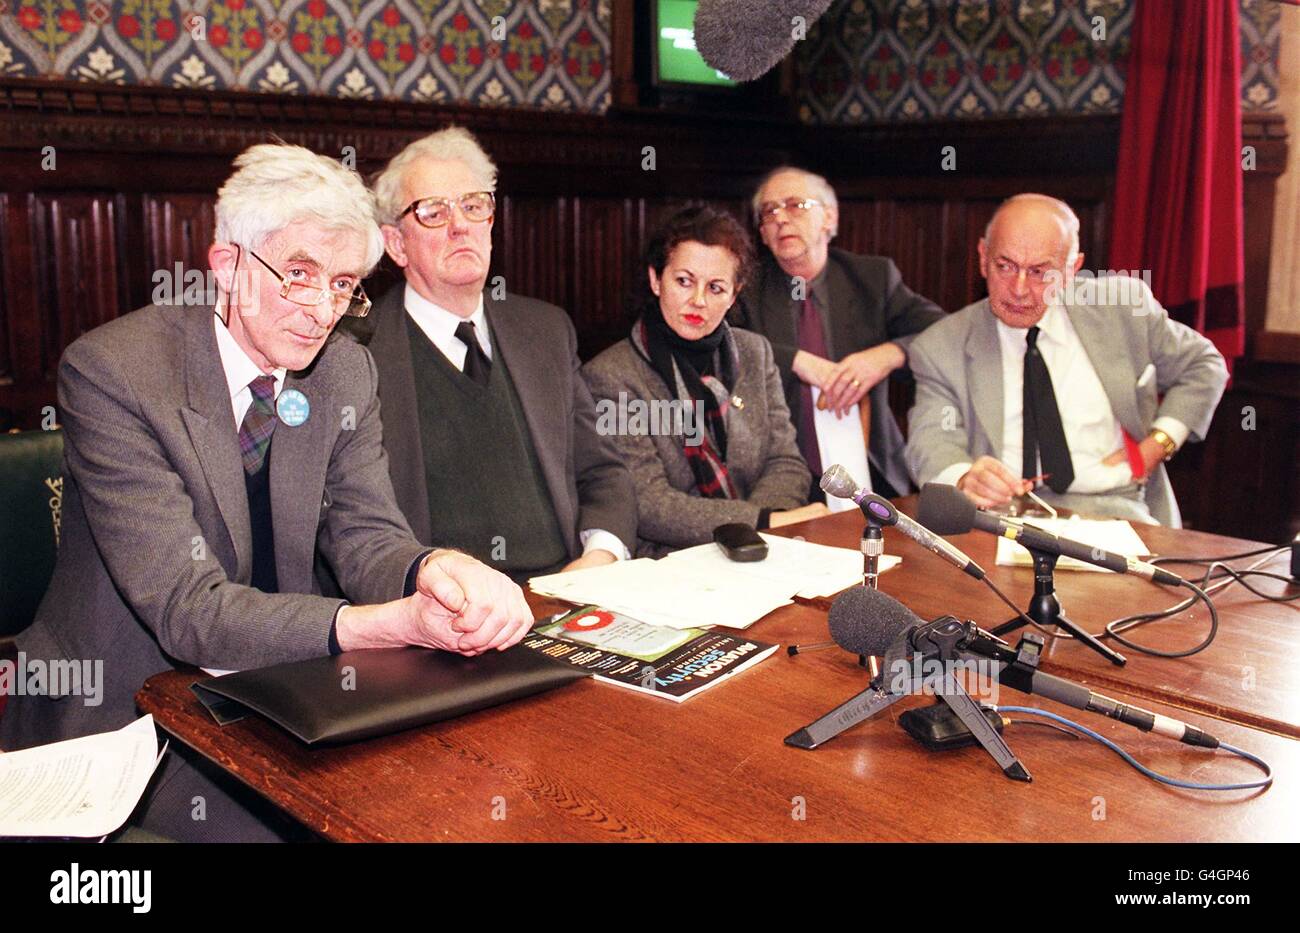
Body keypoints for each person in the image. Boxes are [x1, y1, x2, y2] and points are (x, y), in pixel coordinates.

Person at [0, 144, 533, 840]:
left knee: (450, 802)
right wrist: (382, 625)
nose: (321, 310)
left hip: (286, 691)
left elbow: (368, 537)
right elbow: (189, 612)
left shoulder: (344, 371)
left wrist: (433, 569)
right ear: (227, 266)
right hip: (128, 714)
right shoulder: (116, 373)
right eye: (300, 275)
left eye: (343, 284)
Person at [362, 127, 636, 583]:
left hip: (564, 590)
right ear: (396, 244)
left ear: (491, 221)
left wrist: (598, 560)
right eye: (433, 211)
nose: (460, 224)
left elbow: (604, 472)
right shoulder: (359, 353)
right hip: (435, 613)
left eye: (474, 205)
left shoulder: (545, 331)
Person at [905, 193, 1229, 525]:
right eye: (1005, 266)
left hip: (1116, 507)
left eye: (1039, 272)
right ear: (983, 257)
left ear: (1072, 269)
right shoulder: (942, 346)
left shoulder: (1122, 307)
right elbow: (931, 439)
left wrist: (1159, 443)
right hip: (999, 517)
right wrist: (964, 477)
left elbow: (1204, 365)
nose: (1018, 289)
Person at [582, 204, 827, 557]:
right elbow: (647, 503)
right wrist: (759, 520)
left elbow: (785, 462)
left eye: (716, 288)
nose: (698, 301)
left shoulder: (755, 353)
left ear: (735, 291)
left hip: (766, 548)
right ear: (656, 279)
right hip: (670, 561)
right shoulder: (611, 376)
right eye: (684, 281)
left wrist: (760, 532)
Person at [732, 166, 945, 497]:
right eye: (769, 211)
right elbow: (724, 345)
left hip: (872, 473)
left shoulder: (871, 278)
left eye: (794, 206)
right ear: (761, 232)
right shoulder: (746, 288)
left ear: (829, 218)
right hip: (779, 477)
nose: (781, 219)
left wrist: (888, 355)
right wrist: (798, 361)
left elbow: (943, 334)